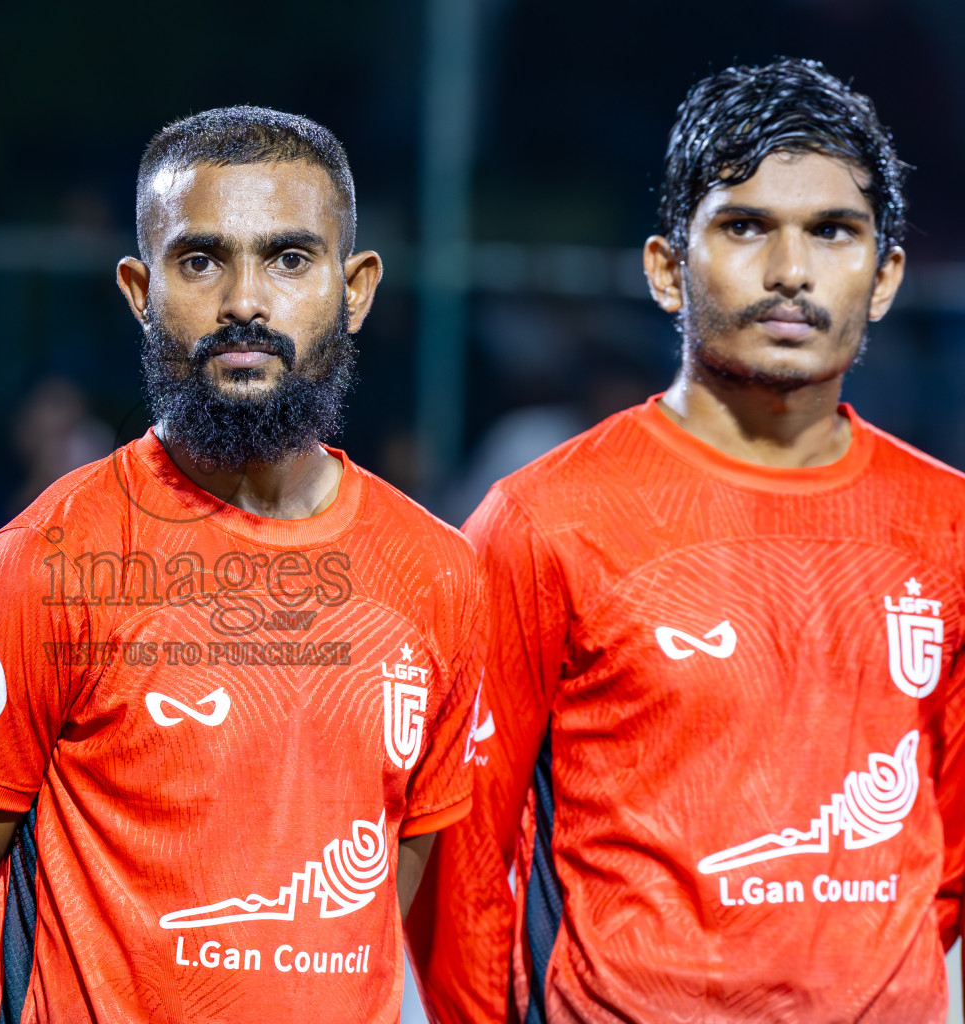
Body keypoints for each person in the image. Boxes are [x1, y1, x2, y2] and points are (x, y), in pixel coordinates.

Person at [0, 106, 487, 1023]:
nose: (245, 301)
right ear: (140, 289)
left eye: (289, 259)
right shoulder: (45, 566)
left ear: (355, 289)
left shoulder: (439, 573)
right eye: (201, 261)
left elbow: (375, 904)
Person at [407, 59, 965, 1023]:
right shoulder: (545, 521)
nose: (790, 272)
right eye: (745, 227)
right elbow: (462, 864)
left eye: (833, 232)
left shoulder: (947, 524)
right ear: (667, 268)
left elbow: (948, 853)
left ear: (884, 278)